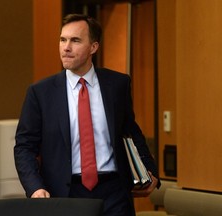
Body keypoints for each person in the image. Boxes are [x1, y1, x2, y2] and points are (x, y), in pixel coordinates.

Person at [14, 13, 160, 216]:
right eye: (62, 40)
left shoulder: (117, 85)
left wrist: (150, 171)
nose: (66, 47)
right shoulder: (40, 93)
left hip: (114, 192)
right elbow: (24, 147)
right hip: (65, 194)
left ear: (93, 47)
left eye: (75, 40)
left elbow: (131, 132)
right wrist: (34, 187)